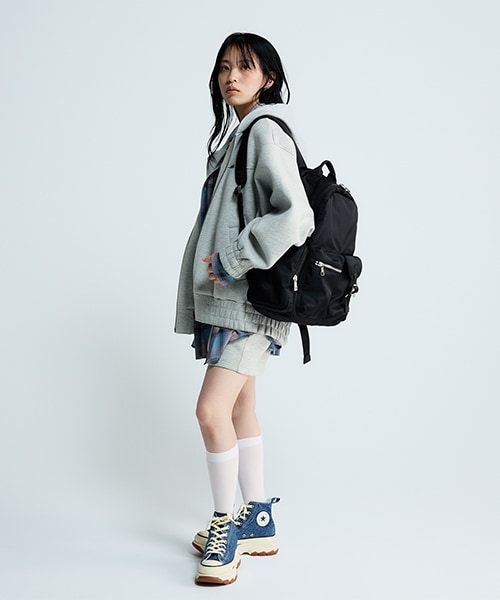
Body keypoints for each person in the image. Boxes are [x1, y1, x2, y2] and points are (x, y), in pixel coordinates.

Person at [174, 32, 314, 585]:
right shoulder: (239, 134)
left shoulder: (263, 132)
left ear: (268, 78)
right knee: (238, 410)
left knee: (210, 412)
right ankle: (257, 520)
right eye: (224, 67)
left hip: (247, 304)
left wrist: (234, 258)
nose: (231, 76)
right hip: (233, 303)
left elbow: (295, 215)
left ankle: (224, 527)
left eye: (245, 67)